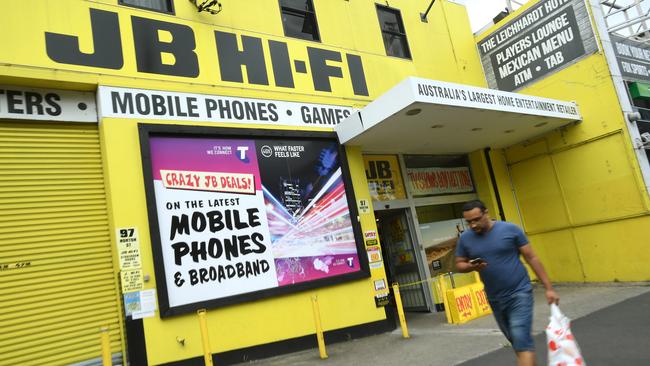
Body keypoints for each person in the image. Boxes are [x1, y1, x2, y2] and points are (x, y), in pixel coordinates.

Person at [455, 200, 559, 366]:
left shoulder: (510, 229)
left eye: (476, 219)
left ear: (486, 213)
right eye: (469, 222)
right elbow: (459, 264)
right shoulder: (466, 239)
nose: (473, 225)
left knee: (519, 336)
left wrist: (549, 288)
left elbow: (531, 257)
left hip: (520, 292)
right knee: (517, 342)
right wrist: (471, 266)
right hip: (495, 298)